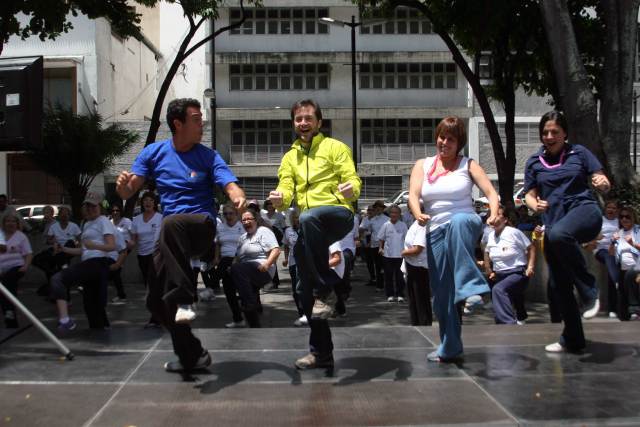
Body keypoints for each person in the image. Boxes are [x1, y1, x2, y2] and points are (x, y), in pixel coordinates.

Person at [116, 98, 246, 373]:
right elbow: (130, 190)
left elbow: (229, 183)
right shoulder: (153, 152)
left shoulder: (208, 156)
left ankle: (187, 298)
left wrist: (238, 197)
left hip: (201, 226)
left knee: (171, 222)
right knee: (156, 301)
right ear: (178, 124)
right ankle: (192, 355)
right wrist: (124, 189)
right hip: (172, 237)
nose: (203, 125)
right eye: (197, 119)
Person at [269, 99, 360, 370]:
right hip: (311, 228)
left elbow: (353, 179)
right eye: (298, 119)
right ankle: (321, 352)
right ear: (293, 123)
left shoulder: (335, 148)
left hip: (337, 215)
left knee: (308, 216)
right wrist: (279, 198)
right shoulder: (289, 157)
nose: (303, 123)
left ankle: (327, 287)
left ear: (319, 122)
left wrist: (350, 190)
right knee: (301, 291)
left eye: (308, 118)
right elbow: (285, 191)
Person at [408, 116, 499, 363]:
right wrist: (418, 213)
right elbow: (413, 195)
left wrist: (492, 214)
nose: (444, 142)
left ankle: (472, 287)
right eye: (441, 137)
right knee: (442, 295)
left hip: (465, 222)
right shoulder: (423, 165)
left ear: (458, 143)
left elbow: (491, 193)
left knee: (458, 222)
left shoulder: (468, 164)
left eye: (451, 139)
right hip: (435, 229)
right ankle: (450, 346)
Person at [524, 110, 610, 353]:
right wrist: (534, 204)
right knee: (559, 284)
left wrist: (602, 183)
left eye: (555, 132)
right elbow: (529, 195)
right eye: (545, 133)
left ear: (564, 134)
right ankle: (573, 338)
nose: (549, 137)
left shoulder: (579, 153)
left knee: (560, 235)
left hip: (584, 213)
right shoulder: (534, 162)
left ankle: (589, 291)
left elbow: (601, 179)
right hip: (554, 224)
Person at [50, 192, 116, 331]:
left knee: (58, 279)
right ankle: (99, 330)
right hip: (89, 262)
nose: (91, 209)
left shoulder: (103, 221)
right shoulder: (86, 224)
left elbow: (111, 246)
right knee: (91, 305)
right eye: (88, 206)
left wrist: (95, 246)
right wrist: (64, 249)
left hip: (98, 263)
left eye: (94, 206)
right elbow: (83, 250)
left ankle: (65, 319)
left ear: (100, 207)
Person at [227, 209, 280, 327]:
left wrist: (267, 264)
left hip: (262, 268)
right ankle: (242, 318)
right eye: (243, 220)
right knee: (228, 276)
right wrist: (231, 267)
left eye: (249, 219)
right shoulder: (242, 238)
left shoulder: (263, 231)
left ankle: (250, 305)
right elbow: (237, 257)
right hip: (246, 271)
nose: (246, 222)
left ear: (256, 220)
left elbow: (276, 250)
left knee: (238, 269)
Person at [483, 206, 535, 325]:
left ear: (505, 219)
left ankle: (509, 323)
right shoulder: (491, 235)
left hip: (517, 273)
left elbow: (531, 247)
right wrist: (488, 269)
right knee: (501, 301)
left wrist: (530, 267)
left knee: (498, 290)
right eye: (492, 215)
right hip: (499, 274)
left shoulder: (514, 232)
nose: (494, 218)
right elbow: (486, 251)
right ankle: (504, 323)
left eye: (498, 215)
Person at [130, 191, 163, 327]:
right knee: (148, 286)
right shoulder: (136, 220)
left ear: (154, 203)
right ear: (142, 203)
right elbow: (133, 240)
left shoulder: (160, 218)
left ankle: (156, 317)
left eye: (150, 200)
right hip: (142, 256)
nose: (147, 203)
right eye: (145, 200)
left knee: (153, 287)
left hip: (156, 256)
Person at [210, 203, 244, 327]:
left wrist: (236, 259)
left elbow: (246, 244)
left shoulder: (242, 226)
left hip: (239, 260)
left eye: (231, 213)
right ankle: (238, 319)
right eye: (225, 214)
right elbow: (217, 243)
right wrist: (215, 257)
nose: (228, 216)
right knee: (229, 292)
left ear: (236, 214)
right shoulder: (220, 227)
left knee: (242, 290)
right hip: (224, 260)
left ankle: (211, 286)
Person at [0, 213, 33, 328]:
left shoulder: (21, 236)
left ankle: (9, 312)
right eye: (8, 221)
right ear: (3, 224)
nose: (10, 223)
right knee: (6, 287)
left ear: (17, 224)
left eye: (13, 221)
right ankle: (10, 314)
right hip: (1, 268)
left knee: (7, 282)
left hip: (16, 266)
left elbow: (28, 253)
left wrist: (26, 266)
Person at [590, 200, 620, 318]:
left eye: (614, 208)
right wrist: (598, 237)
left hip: (617, 251)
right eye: (609, 208)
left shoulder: (620, 222)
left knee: (612, 274)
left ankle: (613, 309)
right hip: (601, 250)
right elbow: (590, 237)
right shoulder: (600, 221)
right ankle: (618, 282)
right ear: (605, 209)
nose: (611, 210)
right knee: (609, 257)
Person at [610, 206, 640, 321]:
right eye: (621, 217)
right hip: (623, 268)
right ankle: (627, 314)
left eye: (627, 216)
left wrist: (633, 244)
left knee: (630, 274)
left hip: (637, 266)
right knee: (619, 280)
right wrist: (612, 242)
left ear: (633, 218)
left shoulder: (638, 231)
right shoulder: (619, 233)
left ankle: (635, 309)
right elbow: (611, 253)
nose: (624, 219)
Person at [402, 217, 432, 326]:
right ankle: (416, 322)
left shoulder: (422, 226)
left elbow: (417, 249)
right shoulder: (415, 224)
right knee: (414, 298)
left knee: (420, 299)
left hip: (419, 267)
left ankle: (424, 323)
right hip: (412, 264)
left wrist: (403, 253)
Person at [378, 204, 408, 302]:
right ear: (390, 214)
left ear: (399, 214)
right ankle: (390, 294)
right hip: (388, 255)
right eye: (392, 212)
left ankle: (400, 294)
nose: (394, 214)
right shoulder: (386, 225)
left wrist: (406, 251)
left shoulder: (403, 225)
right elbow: (381, 238)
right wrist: (380, 248)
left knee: (400, 276)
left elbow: (407, 239)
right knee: (388, 276)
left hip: (400, 255)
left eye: (396, 213)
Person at [283, 209, 306, 326]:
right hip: (293, 263)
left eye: (299, 217)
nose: (297, 220)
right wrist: (286, 258)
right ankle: (301, 313)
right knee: (295, 290)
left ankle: (306, 313)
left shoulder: (307, 230)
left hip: (305, 263)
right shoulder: (288, 231)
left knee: (302, 288)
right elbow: (286, 246)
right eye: (295, 217)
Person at [361, 200, 388, 291]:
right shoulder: (371, 220)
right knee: (377, 265)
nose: (378, 210)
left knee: (385, 265)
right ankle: (379, 285)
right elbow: (363, 228)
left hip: (384, 245)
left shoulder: (387, 220)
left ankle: (387, 284)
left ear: (382, 209)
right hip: (374, 245)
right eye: (376, 208)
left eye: (380, 208)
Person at [109, 201, 133, 303]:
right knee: (114, 272)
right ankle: (121, 294)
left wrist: (130, 244)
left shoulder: (127, 221)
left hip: (124, 249)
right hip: (113, 250)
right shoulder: (109, 222)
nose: (115, 212)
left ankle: (121, 295)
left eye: (117, 210)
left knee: (115, 271)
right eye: (113, 210)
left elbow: (134, 235)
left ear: (121, 211)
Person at [261, 199, 285, 289]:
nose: (270, 205)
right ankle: (272, 281)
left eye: (271, 204)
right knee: (268, 260)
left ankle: (274, 281)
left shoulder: (279, 215)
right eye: (268, 204)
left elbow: (283, 228)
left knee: (272, 261)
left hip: (276, 240)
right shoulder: (263, 216)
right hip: (265, 240)